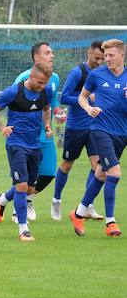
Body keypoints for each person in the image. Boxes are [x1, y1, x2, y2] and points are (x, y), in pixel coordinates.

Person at [0, 62, 54, 242]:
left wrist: (47, 126)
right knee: (22, 186)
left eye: (45, 83)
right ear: (30, 76)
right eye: (39, 83)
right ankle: (23, 229)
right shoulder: (13, 92)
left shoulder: (45, 91)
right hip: (16, 144)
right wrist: (2, 127)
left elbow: (46, 109)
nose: (42, 87)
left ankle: (2, 200)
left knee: (30, 188)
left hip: (35, 144)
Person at [69, 39, 127, 238]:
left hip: (122, 133)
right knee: (115, 172)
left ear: (122, 55)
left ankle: (78, 213)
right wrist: (88, 108)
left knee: (102, 173)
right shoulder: (96, 75)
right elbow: (81, 97)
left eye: (111, 56)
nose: (107, 59)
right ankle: (110, 222)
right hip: (100, 130)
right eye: (105, 56)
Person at [6, 42, 60, 221]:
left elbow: (51, 105)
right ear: (37, 58)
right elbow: (16, 102)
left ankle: (6, 198)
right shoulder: (24, 77)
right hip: (23, 136)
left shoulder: (55, 78)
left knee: (49, 173)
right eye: (47, 52)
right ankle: (19, 208)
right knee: (24, 178)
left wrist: (57, 115)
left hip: (45, 133)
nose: (52, 55)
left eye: (52, 52)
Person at [53, 41, 105, 221]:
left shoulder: (102, 74)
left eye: (102, 58)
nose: (99, 62)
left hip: (95, 127)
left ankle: (88, 205)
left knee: (97, 166)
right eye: (97, 58)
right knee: (67, 165)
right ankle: (56, 200)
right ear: (88, 55)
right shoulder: (78, 73)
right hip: (76, 127)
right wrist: (86, 99)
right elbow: (64, 97)